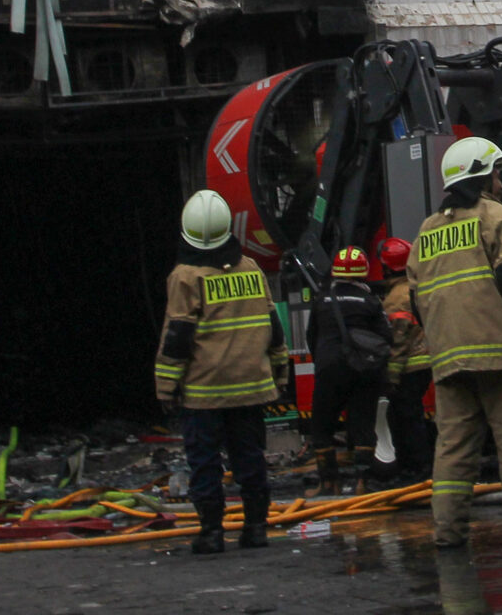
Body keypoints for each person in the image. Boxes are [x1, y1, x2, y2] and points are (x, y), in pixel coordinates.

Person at [408, 137, 502, 548]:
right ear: (480, 177)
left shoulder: (427, 230)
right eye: (496, 175)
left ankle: (448, 534)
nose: (501, 184)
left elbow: (416, 298)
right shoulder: (496, 217)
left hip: (449, 361)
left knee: (453, 451)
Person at [154, 189, 289, 554]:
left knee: (205, 464)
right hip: (251, 387)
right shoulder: (251, 269)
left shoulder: (185, 276)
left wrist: (166, 387)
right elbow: (273, 326)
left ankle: (212, 533)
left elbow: (178, 337)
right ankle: (256, 529)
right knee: (250, 459)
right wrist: (280, 372)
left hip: (204, 394)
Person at [307, 245, 393, 496]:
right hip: (364, 371)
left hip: (330, 369)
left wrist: (322, 361)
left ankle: (328, 484)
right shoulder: (370, 301)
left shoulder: (322, 300)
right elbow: (386, 337)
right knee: (363, 425)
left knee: (322, 425)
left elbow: (311, 335)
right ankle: (362, 483)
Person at [379, 236, 433, 484]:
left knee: (405, 418)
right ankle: (418, 467)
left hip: (410, 367)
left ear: (388, 267)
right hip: (422, 362)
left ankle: (416, 469)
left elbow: (398, 342)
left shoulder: (396, 298)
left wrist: (390, 378)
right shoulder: (413, 287)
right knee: (411, 416)